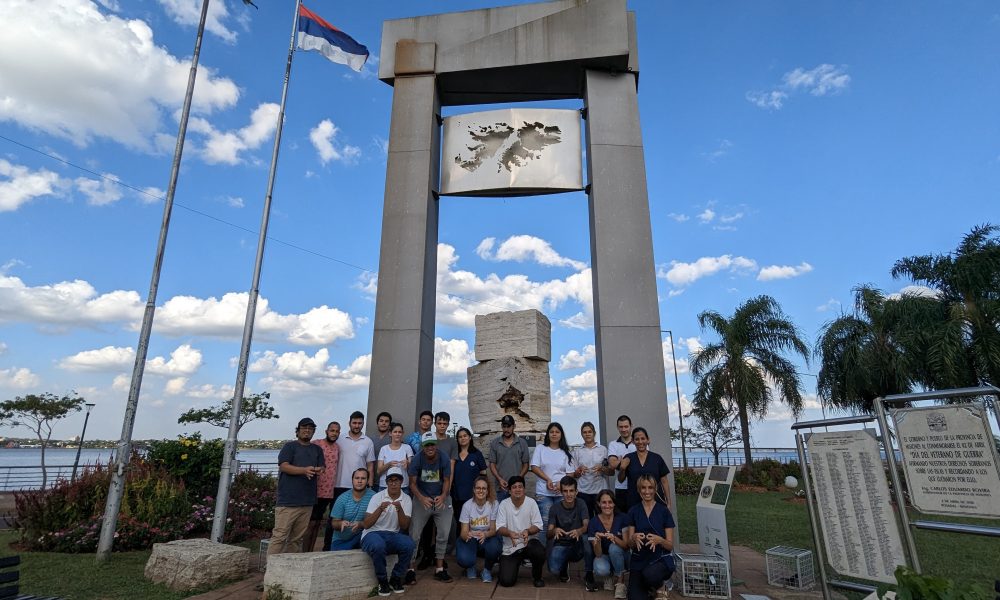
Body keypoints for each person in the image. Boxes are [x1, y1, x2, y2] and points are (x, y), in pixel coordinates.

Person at [268, 417, 325, 555]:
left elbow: (322, 468)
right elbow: (284, 466)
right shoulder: (289, 447)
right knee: (279, 536)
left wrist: (317, 470)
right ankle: (271, 567)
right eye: (304, 428)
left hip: (307, 501)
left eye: (310, 429)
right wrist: (304, 470)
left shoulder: (317, 449)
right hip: (288, 501)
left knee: (297, 539)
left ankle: (290, 568)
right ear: (298, 431)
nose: (307, 431)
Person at [361, 467, 415, 595]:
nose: (393, 483)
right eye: (390, 480)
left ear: (401, 482)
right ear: (386, 482)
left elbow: (404, 526)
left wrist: (400, 509)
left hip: (392, 535)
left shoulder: (406, 498)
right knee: (378, 545)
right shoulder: (377, 497)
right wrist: (380, 509)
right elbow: (367, 524)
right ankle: (382, 581)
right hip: (371, 534)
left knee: (409, 544)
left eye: (396, 480)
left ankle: (395, 578)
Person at [408, 431, 454, 583]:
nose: (430, 447)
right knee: (414, 534)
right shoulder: (417, 459)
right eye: (426, 445)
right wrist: (421, 498)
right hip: (422, 498)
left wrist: (443, 495)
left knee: (443, 533)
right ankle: (410, 568)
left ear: (436, 444)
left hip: (441, 497)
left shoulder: (444, 457)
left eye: (432, 444)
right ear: (423, 446)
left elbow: (447, 480)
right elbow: (412, 483)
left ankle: (439, 568)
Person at [625, 475, 675, 600]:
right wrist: (634, 538)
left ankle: (661, 585)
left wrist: (661, 540)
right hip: (639, 560)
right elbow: (629, 545)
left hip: (660, 560)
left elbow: (670, 545)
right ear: (638, 489)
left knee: (650, 575)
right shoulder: (633, 511)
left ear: (655, 489)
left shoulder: (664, 512)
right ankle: (650, 588)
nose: (647, 491)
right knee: (634, 598)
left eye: (650, 487)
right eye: (643, 488)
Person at [495, 475, 546, 588]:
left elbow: (538, 525)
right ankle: (513, 566)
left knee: (539, 551)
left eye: (520, 486)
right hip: (510, 548)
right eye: (514, 487)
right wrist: (509, 533)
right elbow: (499, 527)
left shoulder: (531, 503)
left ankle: (537, 577)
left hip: (528, 544)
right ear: (509, 491)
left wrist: (528, 531)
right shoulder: (504, 504)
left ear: (524, 489)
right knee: (506, 582)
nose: (517, 489)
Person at [530, 422, 574, 543]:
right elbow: (534, 466)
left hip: (562, 493)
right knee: (545, 522)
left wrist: (561, 484)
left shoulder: (566, 452)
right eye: (552, 432)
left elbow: (570, 474)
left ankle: (561, 549)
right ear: (548, 434)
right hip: (543, 492)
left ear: (561, 434)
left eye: (557, 432)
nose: (554, 434)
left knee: (562, 522)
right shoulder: (541, 448)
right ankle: (544, 552)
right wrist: (547, 479)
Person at [303, 420, 340, 552]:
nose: (334, 433)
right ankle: (304, 553)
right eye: (332, 430)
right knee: (310, 523)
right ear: (326, 431)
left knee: (318, 523)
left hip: (328, 492)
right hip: (315, 490)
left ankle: (311, 551)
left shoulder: (337, 448)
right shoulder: (317, 444)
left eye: (336, 431)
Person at [546, 475, 590, 585]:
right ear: (561, 492)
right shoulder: (555, 508)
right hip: (562, 543)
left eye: (571, 491)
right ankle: (564, 565)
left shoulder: (581, 504)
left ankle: (589, 573)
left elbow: (586, 526)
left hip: (577, 543)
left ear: (576, 492)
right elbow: (548, 533)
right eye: (565, 491)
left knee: (587, 538)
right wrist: (554, 530)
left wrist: (579, 531)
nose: (569, 494)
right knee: (553, 569)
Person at [456, 476, 501, 582]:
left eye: (483, 488)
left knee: (495, 547)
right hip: (471, 538)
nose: (481, 490)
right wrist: (467, 535)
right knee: (464, 559)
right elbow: (463, 531)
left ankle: (487, 570)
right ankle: (470, 566)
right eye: (478, 488)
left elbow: (494, 529)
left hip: (487, 537)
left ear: (487, 490)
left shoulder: (494, 504)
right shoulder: (467, 505)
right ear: (474, 489)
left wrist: (485, 534)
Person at [586, 489, 629, 597]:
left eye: (610, 502)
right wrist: (597, 542)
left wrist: (614, 538)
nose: (607, 505)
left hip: (623, 555)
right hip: (605, 555)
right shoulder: (593, 522)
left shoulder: (622, 518)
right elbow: (598, 554)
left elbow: (626, 545)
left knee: (613, 548)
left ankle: (620, 582)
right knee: (600, 568)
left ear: (614, 503)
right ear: (598, 504)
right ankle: (609, 575)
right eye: (604, 502)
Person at [616, 427, 670, 510]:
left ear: (648, 440)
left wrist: (669, 502)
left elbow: (664, 481)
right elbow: (620, 480)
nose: (640, 442)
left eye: (643, 438)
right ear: (633, 441)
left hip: (655, 501)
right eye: (637, 439)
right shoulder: (628, 458)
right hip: (634, 502)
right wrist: (622, 468)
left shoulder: (657, 458)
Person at [329, 467, 376, 550]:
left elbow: (377, 521)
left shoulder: (374, 497)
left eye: (363, 478)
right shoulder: (342, 498)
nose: (359, 481)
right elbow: (334, 523)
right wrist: (340, 523)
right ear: (352, 480)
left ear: (368, 480)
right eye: (357, 478)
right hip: (342, 539)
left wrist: (360, 524)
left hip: (362, 537)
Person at [488, 415, 530, 502]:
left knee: (518, 513)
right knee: (503, 514)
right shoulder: (495, 443)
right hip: (501, 487)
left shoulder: (522, 443)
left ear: (514, 426)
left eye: (509, 426)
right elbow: (492, 464)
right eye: (504, 426)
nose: (506, 429)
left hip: (517, 488)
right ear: (501, 427)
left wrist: (517, 480)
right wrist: (499, 479)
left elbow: (526, 464)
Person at [336, 411, 376, 498]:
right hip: (339, 484)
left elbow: (370, 466)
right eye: (354, 423)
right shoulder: (339, 439)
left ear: (363, 424)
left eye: (359, 423)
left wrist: (370, 484)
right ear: (349, 423)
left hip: (359, 485)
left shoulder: (368, 442)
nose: (357, 426)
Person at [573, 421, 608, 517]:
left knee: (601, 519)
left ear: (594, 433)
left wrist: (602, 467)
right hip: (583, 491)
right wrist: (579, 470)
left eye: (589, 431)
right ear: (581, 434)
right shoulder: (577, 451)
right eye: (584, 432)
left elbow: (609, 471)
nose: (587, 434)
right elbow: (574, 474)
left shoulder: (603, 449)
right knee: (585, 520)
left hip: (600, 490)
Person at [450, 427, 486, 519]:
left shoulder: (477, 454)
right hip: (457, 496)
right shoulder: (454, 455)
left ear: (470, 437)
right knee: (459, 522)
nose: (463, 438)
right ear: (457, 439)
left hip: (473, 496)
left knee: (473, 522)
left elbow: (483, 474)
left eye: (465, 436)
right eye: (460, 437)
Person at [606, 415, 636, 513]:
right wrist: (633, 461)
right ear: (617, 427)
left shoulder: (639, 443)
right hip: (620, 487)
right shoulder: (613, 444)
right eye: (621, 427)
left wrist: (620, 461)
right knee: (622, 519)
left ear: (631, 426)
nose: (623, 429)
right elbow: (612, 464)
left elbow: (644, 462)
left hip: (637, 487)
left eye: (626, 426)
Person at [377, 422, 414, 492]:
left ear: (402, 433)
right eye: (395, 432)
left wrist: (408, 463)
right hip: (385, 486)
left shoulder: (407, 448)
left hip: (402, 485)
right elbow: (379, 471)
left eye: (400, 432)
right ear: (390, 433)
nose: (397, 434)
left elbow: (413, 469)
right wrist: (389, 464)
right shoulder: (384, 449)